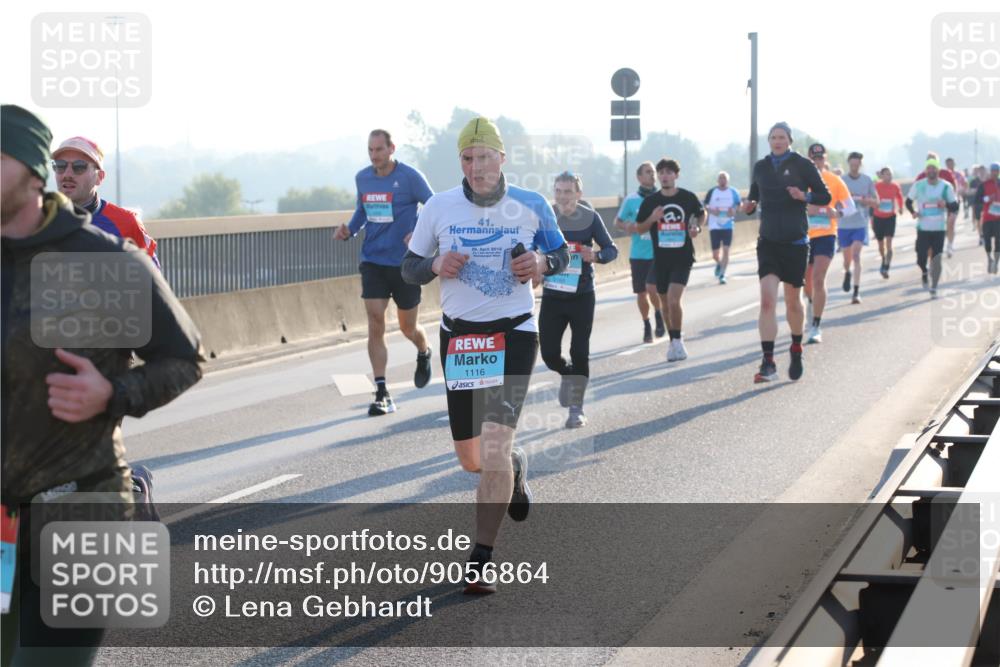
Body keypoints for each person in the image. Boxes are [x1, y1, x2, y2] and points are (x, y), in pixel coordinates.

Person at [1, 105, 204, 666]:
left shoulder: (102, 256)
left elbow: (183, 358)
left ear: (31, 175)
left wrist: (113, 394)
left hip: (78, 506)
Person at [400, 117, 569, 594]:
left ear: (502, 159)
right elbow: (409, 267)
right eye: (467, 158)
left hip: (514, 333)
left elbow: (562, 255)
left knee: (493, 445)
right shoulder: (439, 207)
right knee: (472, 459)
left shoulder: (531, 205)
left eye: (485, 157)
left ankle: (481, 558)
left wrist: (541, 262)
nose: (476, 167)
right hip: (461, 339)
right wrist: (435, 263)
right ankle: (513, 466)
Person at [334, 129, 435, 416]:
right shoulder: (363, 178)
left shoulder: (410, 177)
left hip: (405, 263)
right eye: (370, 150)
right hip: (373, 261)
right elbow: (362, 212)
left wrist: (419, 233)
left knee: (407, 328)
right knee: (375, 320)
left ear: (392, 148)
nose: (374, 155)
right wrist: (349, 230)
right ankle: (381, 391)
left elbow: (434, 207)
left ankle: (423, 350)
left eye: (379, 149)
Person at [742, 122, 831, 383]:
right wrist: (749, 205)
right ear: (769, 141)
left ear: (789, 140)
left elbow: (824, 196)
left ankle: (796, 347)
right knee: (767, 301)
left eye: (781, 137)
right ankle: (768, 362)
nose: (777, 141)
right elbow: (754, 196)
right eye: (773, 137)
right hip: (768, 242)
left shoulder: (803, 165)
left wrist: (804, 196)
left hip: (795, 242)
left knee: (793, 301)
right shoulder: (761, 166)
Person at [540, 171, 617, 428]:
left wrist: (594, 256)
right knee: (549, 354)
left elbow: (611, 249)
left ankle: (576, 408)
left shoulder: (590, 217)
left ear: (578, 194)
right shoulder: (546, 216)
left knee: (580, 351)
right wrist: (534, 267)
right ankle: (567, 373)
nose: (562, 197)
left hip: (582, 295)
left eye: (568, 192)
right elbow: (531, 246)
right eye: (558, 191)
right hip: (553, 295)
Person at [633, 158, 705, 362]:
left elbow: (701, 214)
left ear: (676, 175)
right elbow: (640, 228)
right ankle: (673, 341)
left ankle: (678, 341)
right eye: (661, 172)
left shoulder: (687, 197)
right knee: (664, 303)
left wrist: (697, 227)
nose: (664, 176)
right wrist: (652, 218)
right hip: (660, 259)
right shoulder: (651, 202)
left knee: (674, 300)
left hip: (683, 257)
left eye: (669, 172)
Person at [52, 136, 159, 268]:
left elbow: (152, 277)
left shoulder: (127, 223)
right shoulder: (38, 221)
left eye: (79, 167)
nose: (67, 174)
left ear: (99, 177)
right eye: (60, 166)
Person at [803, 143, 854, 344]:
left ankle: (816, 325)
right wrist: (806, 209)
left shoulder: (834, 180)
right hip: (803, 235)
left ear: (825, 160)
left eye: (820, 158)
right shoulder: (801, 180)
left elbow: (850, 207)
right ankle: (811, 302)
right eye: (813, 159)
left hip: (826, 234)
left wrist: (836, 213)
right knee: (806, 281)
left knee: (818, 277)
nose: (817, 162)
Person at [615, 161, 664, 342]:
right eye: (648, 172)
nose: (652, 175)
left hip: (658, 253)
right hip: (638, 254)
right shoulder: (631, 200)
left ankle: (658, 313)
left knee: (653, 288)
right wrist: (627, 226)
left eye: (653, 172)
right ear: (639, 177)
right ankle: (647, 324)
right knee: (641, 293)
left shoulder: (662, 197)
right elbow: (617, 222)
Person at [906, 157, 959, 297]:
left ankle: (934, 287)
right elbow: (908, 201)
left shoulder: (946, 186)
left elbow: (955, 206)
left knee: (936, 259)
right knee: (920, 258)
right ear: (926, 170)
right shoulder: (919, 185)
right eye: (929, 168)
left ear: (938, 170)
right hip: (923, 228)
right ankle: (924, 271)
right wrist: (913, 212)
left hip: (939, 229)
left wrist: (945, 204)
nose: (931, 170)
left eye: (934, 168)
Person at [839, 151, 877, 304]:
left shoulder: (867, 180)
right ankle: (847, 272)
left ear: (860, 164)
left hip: (860, 224)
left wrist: (867, 201)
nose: (854, 167)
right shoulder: (842, 180)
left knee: (856, 256)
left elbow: (877, 202)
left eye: (857, 165)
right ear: (848, 164)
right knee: (847, 259)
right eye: (852, 165)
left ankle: (856, 292)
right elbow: (834, 200)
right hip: (844, 224)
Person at [703, 171, 741, 284]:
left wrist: (734, 211)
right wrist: (711, 211)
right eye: (720, 178)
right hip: (714, 225)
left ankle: (722, 274)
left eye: (724, 178)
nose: (722, 180)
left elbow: (739, 205)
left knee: (726, 250)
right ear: (717, 180)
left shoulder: (733, 192)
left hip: (728, 225)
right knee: (715, 255)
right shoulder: (712, 192)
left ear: (728, 180)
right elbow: (705, 205)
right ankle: (719, 264)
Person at [872, 167, 904, 279]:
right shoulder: (876, 186)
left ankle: (886, 266)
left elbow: (899, 197)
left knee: (889, 242)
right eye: (886, 174)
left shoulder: (895, 186)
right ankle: (883, 259)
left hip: (890, 217)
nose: (889, 176)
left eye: (890, 174)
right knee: (880, 244)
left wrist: (901, 207)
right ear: (882, 176)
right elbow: (871, 197)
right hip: (878, 217)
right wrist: (873, 203)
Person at [974, 162, 1000, 274]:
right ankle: (989, 259)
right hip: (988, 218)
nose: (995, 173)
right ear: (990, 172)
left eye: (997, 171)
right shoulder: (984, 185)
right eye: (993, 171)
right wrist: (988, 198)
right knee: (988, 242)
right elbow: (977, 200)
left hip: (998, 219)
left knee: (998, 243)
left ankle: (996, 263)